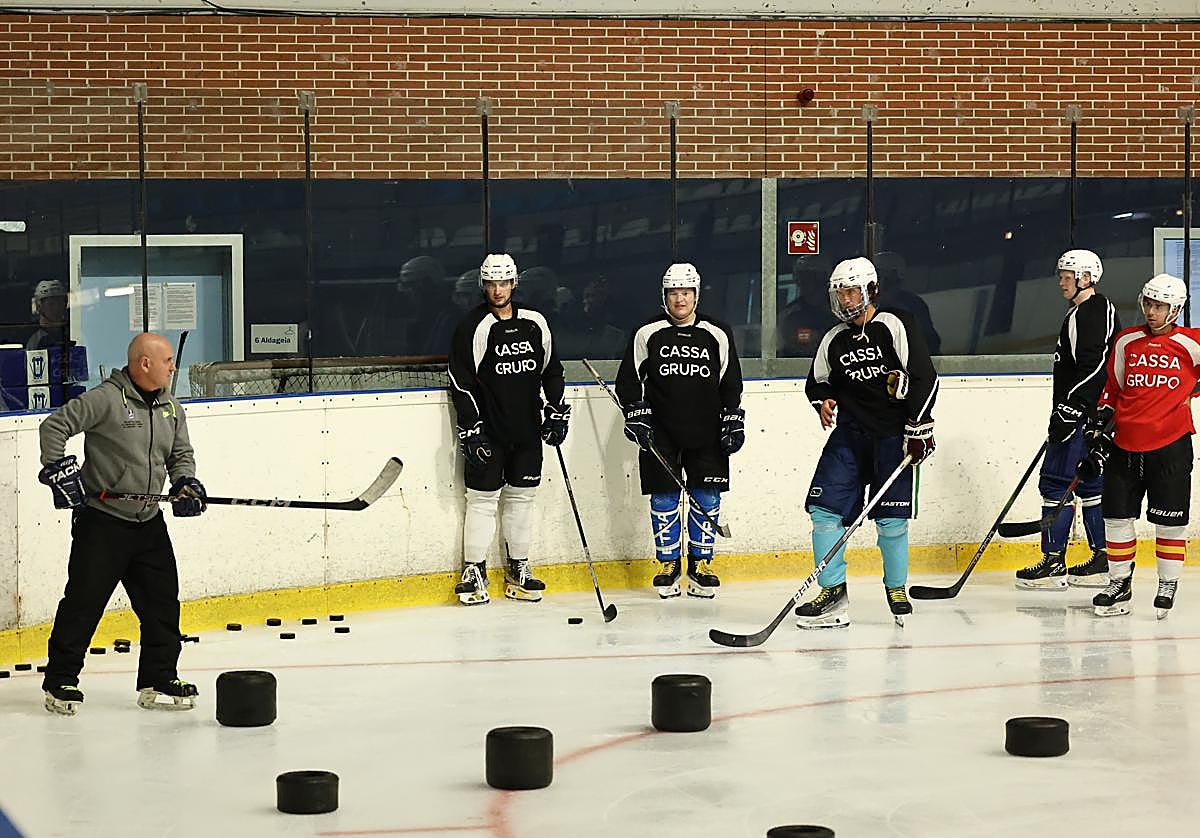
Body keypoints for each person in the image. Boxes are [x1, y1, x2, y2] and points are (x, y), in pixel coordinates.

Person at [36, 332, 206, 716]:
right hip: (103, 523)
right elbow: (54, 427)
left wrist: (185, 482)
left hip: (149, 522)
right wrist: (58, 467)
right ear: (144, 363)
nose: (172, 367)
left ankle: (159, 677)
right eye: (167, 361)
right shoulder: (106, 399)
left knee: (162, 605)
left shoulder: (171, 408)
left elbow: (181, 454)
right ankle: (61, 680)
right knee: (84, 602)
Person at [796, 256, 937, 629]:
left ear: (871, 289)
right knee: (824, 511)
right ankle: (832, 593)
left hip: (893, 437)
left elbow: (925, 377)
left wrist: (919, 426)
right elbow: (818, 381)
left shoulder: (894, 324)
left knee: (891, 520)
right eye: (840, 292)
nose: (845, 299)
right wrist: (823, 400)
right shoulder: (833, 338)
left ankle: (896, 588)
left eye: (851, 290)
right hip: (850, 437)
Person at [615, 263, 744, 599]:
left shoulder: (718, 333)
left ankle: (701, 564)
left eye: (686, 292)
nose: (680, 299)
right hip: (662, 432)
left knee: (706, 497)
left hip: (708, 431)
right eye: (674, 292)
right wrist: (636, 414)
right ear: (665, 296)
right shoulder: (647, 333)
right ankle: (668, 563)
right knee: (665, 497)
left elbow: (731, 382)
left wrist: (732, 419)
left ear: (696, 295)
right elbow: (628, 382)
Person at [447, 253, 567, 605]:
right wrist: (471, 428)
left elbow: (552, 370)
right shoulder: (474, 325)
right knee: (481, 501)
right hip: (489, 431)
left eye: (504, 283)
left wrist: (557, 409)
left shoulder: (534, 322)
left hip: (528, 430)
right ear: (483, 285)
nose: (498, 290)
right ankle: (474, 570)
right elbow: (461, 380)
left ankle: (519, 569)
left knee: (522, 499)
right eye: (491, 284)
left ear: (514, 283)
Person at [1079, 273, 1200, 619]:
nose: (1151, 311)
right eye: (1148, 303)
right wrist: (1101, 420)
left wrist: (1187, 392)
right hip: (1125, 445)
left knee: (1170, 521)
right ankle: (1119, 582)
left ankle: (1167, 582)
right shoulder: (1125, 340)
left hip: (1171, 446)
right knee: (1116, 517)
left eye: (1159, 306)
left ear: (1175, 310)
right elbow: (1114, 388)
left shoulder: (1192, 344)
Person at [1015, 250, 1119, 590]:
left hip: (1079, 416)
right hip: (1085, 415)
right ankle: (1103, 558)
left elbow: (1097, 363)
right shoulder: (1084, 312)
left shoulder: (1092, 311)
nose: (1061, 280)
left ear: (1086, 278)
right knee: (1089, 484)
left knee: (1056, 483)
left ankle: (1054, 562)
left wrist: (1071, 408)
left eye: (1067, 275)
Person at [27, 279, 69, 350]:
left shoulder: (69, 333)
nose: (57, 308)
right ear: (39, 307)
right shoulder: (36, 340)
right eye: (51, 304)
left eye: (60, 303)